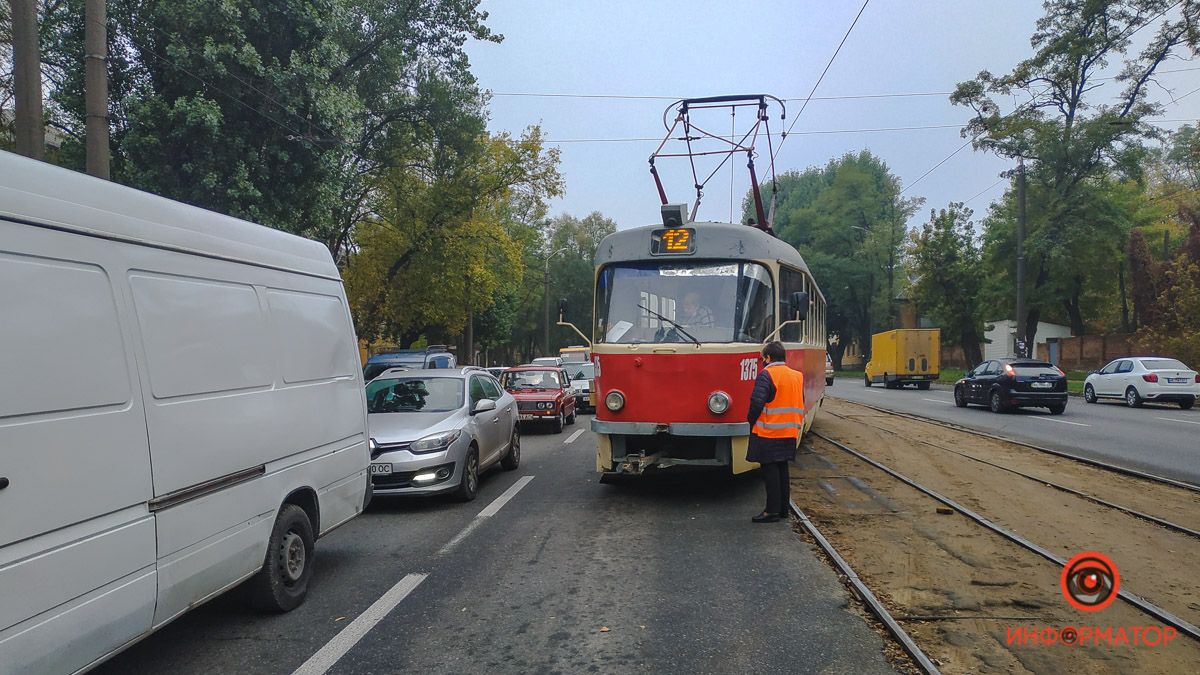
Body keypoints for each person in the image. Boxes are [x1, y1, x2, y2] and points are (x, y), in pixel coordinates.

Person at [746, 340, 805, 523]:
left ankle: (771, 511)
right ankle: (783, 509)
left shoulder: (767, 375)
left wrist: (750, 420)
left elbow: (757, 402)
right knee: (782, 468)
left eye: (764, 358)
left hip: (769, 431)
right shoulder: (797, 376)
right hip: (789, 431)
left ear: (768, 358)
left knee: (770, 470)